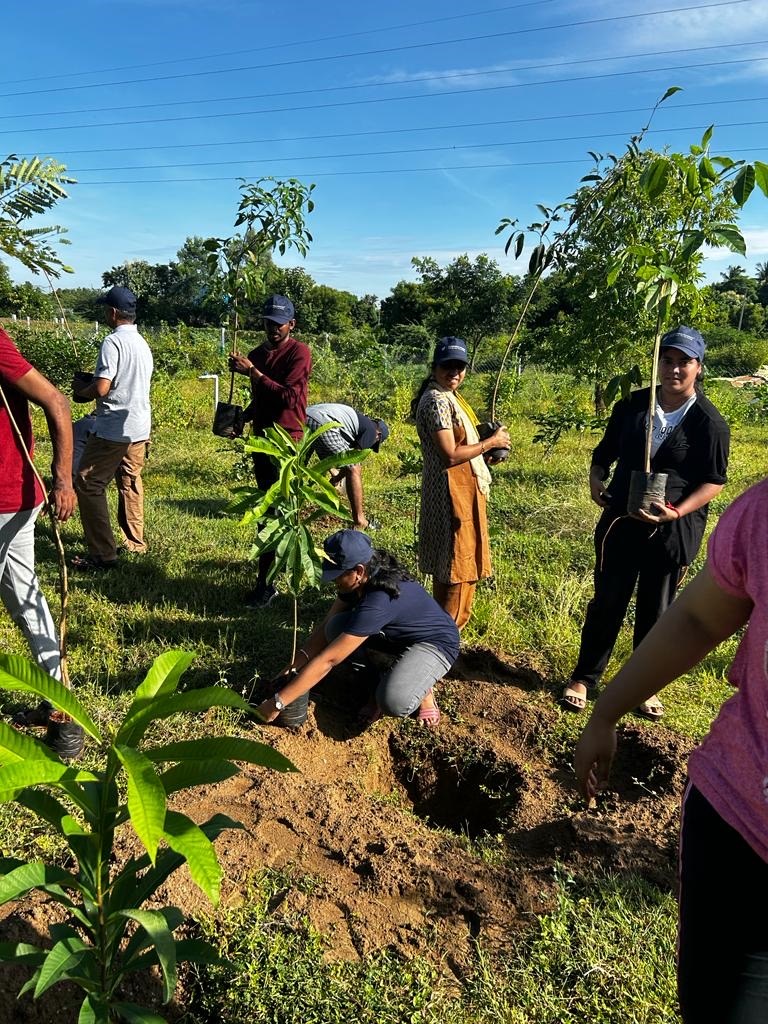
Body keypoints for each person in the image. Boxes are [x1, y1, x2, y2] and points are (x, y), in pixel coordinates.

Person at [574, 475, 768, 1024]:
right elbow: (697, 616)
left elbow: (711, 476)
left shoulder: (708, 424)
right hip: (740, 830)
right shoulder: (762, 515)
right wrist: (606, 710)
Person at [561, 326, 729, 720]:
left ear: (698, 368)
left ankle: (644, 687)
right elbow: (604, 453)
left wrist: (677, 511)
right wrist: (596, 478)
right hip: (621, 520)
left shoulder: (709, 423)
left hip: (671, 530)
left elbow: (714, 481)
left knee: (657, 610)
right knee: (607, 601)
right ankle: (585, 678)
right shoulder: (634, 407)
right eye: (667, 360)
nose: (673, 370)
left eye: (683, 362)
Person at [255, 529, 459, 728]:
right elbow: (326, 625)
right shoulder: (364, 576)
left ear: (358, 571)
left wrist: (278, 703)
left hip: (435, 645)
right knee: (335, 627)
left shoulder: (378, 601)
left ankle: (422, 687)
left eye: (337, 576)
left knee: (394, 701)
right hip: (396, 638)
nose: (334, 581)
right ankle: (388, 676)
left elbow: (329, 660)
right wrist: (291, 668)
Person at [0, 327, 85, 758]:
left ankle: (63, 713)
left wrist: (63, 480)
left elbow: (56, 400)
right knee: (25, 599)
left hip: (7, 498)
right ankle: (61, 711)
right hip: (11, 496)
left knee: (26, 598)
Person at [411, 336, 510, 630]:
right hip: (450, 493)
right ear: (434, 367)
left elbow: (461, 448)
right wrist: (491, 441)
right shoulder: (436, 402)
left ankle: (442, 632)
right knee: (455, 564)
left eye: (460, 366)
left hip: (462, 490)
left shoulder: (449, 397)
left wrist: (484, 454)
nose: (454, 372)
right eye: (447, 366)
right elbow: (450, 454)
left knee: (458, 565)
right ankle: (444, 636)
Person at [229, 294, 312, 608]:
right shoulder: (255, 355)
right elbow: (262, 400)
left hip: (286, 442)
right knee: (265, 509)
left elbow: (289, 399)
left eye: (279, 323)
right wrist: (242, 418)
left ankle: (270, 582)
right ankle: (269, 579)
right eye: (268, 322)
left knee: (279, 511)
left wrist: (253, 373)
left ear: (291, 324)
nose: (274, 328)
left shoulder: (299, 353)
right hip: (261, 439)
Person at [72, 285, 153, 570]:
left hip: (113, 429)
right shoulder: (142, 343)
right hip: (139, 427)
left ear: (113, 312)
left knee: (88, 483)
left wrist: (83, 391)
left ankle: (103, 555)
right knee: (130, 482)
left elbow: (103, 387)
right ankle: (136, 542)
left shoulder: (112, 342)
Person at [305, 402, 389, 530]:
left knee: (297, 466)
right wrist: (338, 478)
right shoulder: (372, 431)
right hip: (323, 423)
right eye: (375, 444)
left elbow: (331, 460)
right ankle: (360, 520)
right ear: (379, 435)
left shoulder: (356, 422)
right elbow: (351, 461)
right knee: (355, 466)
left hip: (304, 416)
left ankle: (285, 507)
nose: (371, 446)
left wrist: (335, 476)